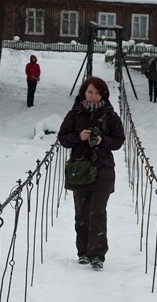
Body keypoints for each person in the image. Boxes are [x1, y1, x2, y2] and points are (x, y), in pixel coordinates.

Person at [58, 76, 125, 269]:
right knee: (81, 214)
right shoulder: (75, 114)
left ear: (103, 94)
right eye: (90, 92)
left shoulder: (111, 116)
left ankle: (97, 254)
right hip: (79, 170)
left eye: (98, 92)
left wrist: (103, 141)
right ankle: (83, 252)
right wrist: (78, 136)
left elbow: (119, 141)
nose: (94, 96)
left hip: (102, 171)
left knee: (97, 213)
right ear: (83, 93)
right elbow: (63, 139)